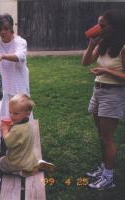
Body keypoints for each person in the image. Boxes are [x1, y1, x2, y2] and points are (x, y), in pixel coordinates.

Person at [82, 10, 125, 190]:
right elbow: (85, 62)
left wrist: (106, 71)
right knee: (101, 135)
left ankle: (108, 177)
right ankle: (104, 167)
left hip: (113, 94)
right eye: (97, 24)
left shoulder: (123, 47)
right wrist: (92, 43)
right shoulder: (103, 43)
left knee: (107, 138)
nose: (98, 28)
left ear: (114, 27)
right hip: (98, 91)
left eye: (102, 25)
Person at [0, 13, 31, 159]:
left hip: (19, 83)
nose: (2, 32)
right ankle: (4, 147)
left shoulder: (20, 42)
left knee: (20, 117)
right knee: (4, 117)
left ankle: (24, 148)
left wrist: (2, 56)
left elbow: (20, 57)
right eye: (0, 29)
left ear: (11, 28)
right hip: (3, 84)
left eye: (6, 28)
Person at [0, 94, 54, 176]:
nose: (12, 116)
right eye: (10, 112)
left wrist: (4, 130)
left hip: (16, 162)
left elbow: (8, 143)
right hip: (29, 158)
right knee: (30, 160)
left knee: (0, 162)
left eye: (16, 113)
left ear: (27, 113)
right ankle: (37, 164)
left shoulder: (17, 130)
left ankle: (20, 172)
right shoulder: (28, 125)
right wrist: (11, 128)